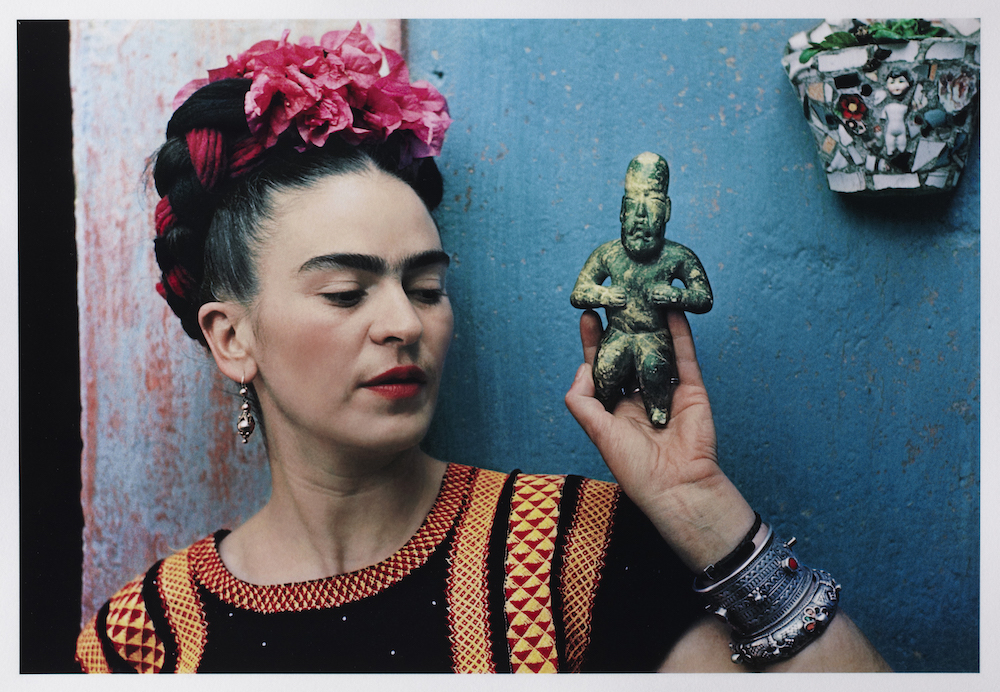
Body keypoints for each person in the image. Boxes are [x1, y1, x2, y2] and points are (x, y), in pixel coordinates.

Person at [75, 27, 890, 673]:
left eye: (426, 287)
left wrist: (700, 507)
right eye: (346, 292)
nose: (405, 322)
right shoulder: (138, 644)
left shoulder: (569, 553)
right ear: (231, 337)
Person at [570, 151, 713, 427]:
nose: (641, 215)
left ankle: (658, 409)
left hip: (655, 336)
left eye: (653, 202)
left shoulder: (677, 257)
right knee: (606, 369)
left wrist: (676, 296)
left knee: (655, 369)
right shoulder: (608, 254)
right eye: (633, 203)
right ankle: (606, 403)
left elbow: (703, 297)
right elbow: (579, 292)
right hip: (618, 333)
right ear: (622, 211)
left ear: (667, 211)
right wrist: (603, 295)